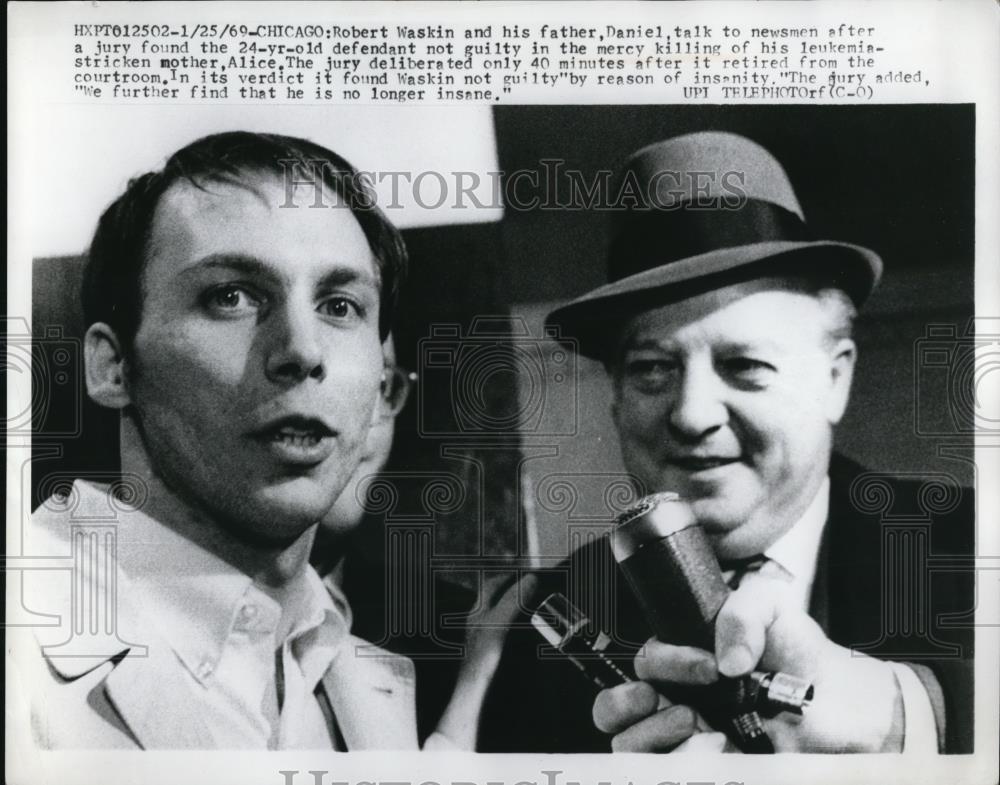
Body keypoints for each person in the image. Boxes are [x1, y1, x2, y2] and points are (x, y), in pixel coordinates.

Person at [476, 131, 974, 754]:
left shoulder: (974, 549)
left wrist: (902, 720)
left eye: (744, 365)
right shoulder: (550, 625)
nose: (691, 415)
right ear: (615, 397)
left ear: (834, 378)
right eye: (653, 369)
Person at [13, 131, 422, 749]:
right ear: (113, 365)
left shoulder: (360, 677)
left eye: (339, 306)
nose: (303, 352)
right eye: (229, 296)